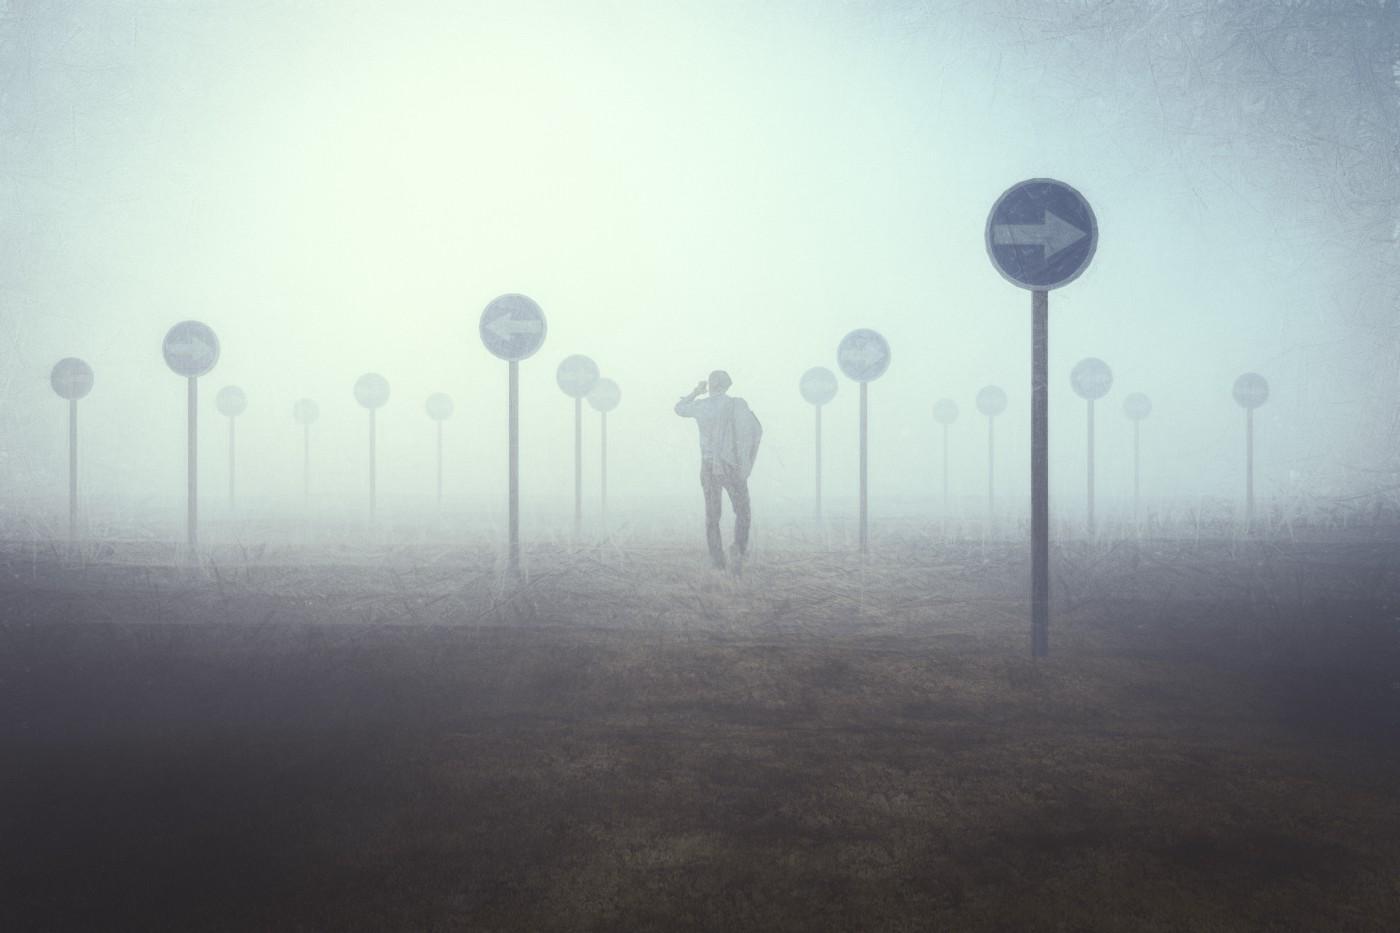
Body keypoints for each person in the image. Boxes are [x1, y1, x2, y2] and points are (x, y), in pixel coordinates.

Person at [674, 370, 762, 570]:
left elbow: (678, 408)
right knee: (743, 511)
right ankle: (738, 550)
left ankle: (717, 561)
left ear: (711, 385)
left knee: (712, 517)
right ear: (727, 385)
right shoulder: (736, 405)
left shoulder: (701, 406)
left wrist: (696, 391)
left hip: (708, 467)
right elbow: (752, 432)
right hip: (731, 465)